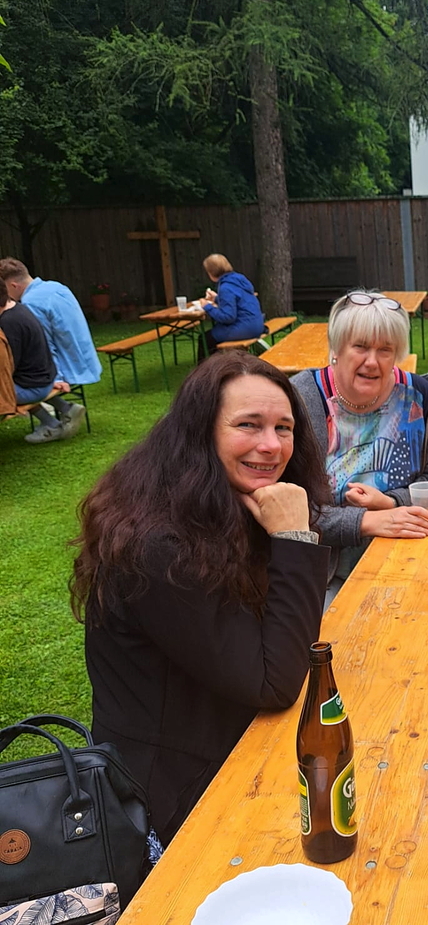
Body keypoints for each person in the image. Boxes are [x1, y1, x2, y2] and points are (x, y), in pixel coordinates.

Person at [70, 353, 333, 844]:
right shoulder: (157, 545)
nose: (271, 445)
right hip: (170, 799)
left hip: (232, 745)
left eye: (284, 427)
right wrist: (294, 540)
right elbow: (274, 683)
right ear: (200, 432)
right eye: (248, 425)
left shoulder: (221, 508)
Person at [291, 290, 428, 603]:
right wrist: (365, 521)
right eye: (360, 346)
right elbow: (285, 508)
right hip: (323, 573)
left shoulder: (419, 396)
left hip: (407, 556)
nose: (372, 362)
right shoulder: (301, 399)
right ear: (336, 348)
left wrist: (390, 502)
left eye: (385, 349)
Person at [0, 276, 87, 443]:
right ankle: (65, 408)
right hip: (45, 377)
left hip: (34, 385)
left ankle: (51, 426)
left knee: (4, 394)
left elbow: (8, 366)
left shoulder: (8, 323)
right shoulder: (18, 308)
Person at [0, 257, 102, 387]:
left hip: (68, 370)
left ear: (13, 286)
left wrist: (55, 378)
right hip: (87, 361)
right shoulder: (57, 286)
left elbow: (45, 344)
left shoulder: (31, 302)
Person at [192, 253, 265, 355]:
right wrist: (217, 298)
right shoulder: (239, 280)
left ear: (211, 273)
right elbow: (237, 299)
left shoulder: (225, 287)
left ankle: (209, 365)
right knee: (213, 334)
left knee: (205, 339)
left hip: (245, 328)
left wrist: (207, 306)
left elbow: (228, 317)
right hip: (257, 325)